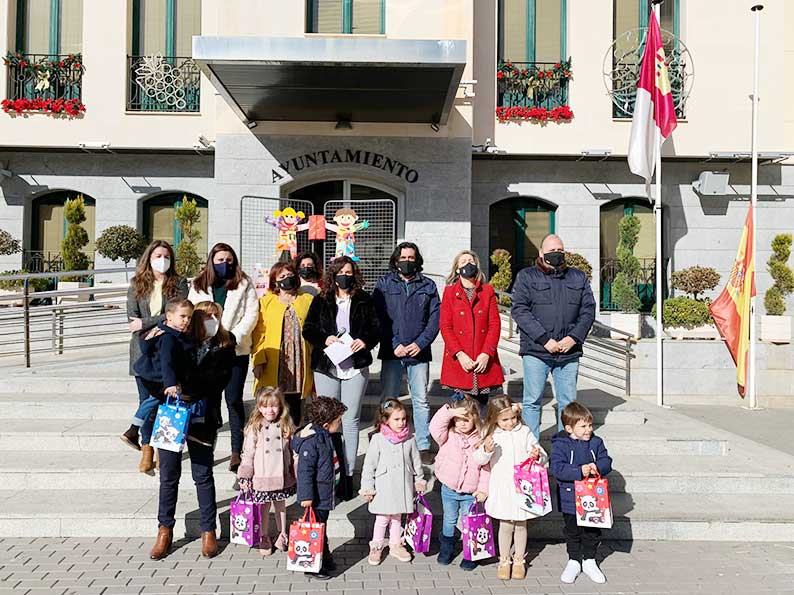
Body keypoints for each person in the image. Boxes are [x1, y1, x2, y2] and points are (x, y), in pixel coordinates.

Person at [149, 300, 236, 561]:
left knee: (202, 473)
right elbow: (153, 372)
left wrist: (185, 388)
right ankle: (164, 530)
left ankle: (208, 531)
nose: (211, 319)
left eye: (216, 315)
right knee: (169, 475)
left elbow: (219, 380)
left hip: (203, 415)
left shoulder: (225, 343)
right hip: (171, 414)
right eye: (205, 315)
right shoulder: (174, 338)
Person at [302, 256, 380, 499]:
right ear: (333, 276)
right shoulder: (321, 300)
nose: (345, 276)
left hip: (355, 367)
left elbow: (376, 329)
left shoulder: (365, 300)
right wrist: (325, 338)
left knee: (350, 420)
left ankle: (347, 475)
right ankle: (328, 472)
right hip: (327, 367)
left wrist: (364, 341)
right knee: (327, 421)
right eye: (340, 272)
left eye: (349, 271)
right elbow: (309, 329)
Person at [510, 234, 596, 440]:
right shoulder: (527, 276)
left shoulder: (578, 277)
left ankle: (564, 449)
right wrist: (544, 339)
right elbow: (520, 310)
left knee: (568, 403)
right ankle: (531, 448)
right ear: (541, 252)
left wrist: (573, 338)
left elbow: (588, 311)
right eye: (552, 250)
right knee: (532, 401)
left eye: (560, 250)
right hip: (537, 351)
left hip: (568, 353)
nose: (557, 253)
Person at [189, 242, 259, 471]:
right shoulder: (199, 284)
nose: (224, 264)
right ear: (211, 261)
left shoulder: (244, 283)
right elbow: (193, 312)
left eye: (228, 260)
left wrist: (233, 336)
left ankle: (237, 451)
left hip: (234, 350)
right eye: (219, 260)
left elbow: (251, 313)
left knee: (233, 399)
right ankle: (207, 442)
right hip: (207, 351)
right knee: (210, 399)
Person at [373, 242, 440, 463]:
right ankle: (386, 435)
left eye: (411, 258)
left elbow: (434, 319)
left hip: (418, 352)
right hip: (393, 352)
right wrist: (394, 343)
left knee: (420, 400)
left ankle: (422, 444)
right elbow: (379, 318)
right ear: (395, 260)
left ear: (417, 260)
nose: (407, 261)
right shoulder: (383, 284)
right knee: (389, 398)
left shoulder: (428, 285)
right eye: (403, 257)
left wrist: (420, 343)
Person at [126, 240, 188, 473]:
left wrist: (148, 322)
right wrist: (147, 325)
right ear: (148, 258)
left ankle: (163, 450)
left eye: (166, 255)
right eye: (157, 255)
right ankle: (146, 448)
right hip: (142, 350)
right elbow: (131, 319)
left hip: (169, 349)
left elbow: (177, 312)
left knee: (164, 402)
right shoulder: (136, 284)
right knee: (146, 400)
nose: (162, 259)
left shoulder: (179, 283)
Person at [474, 396, 548, 581]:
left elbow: (542, 455)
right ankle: (504, 559)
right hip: (502, 487)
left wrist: (537, 455)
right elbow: (478, 459)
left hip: (523, 488)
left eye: (512, 418)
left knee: (521, 525)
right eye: (504, 419)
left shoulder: (524, 431)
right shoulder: (491, 434)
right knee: (505, 525)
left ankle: (519, 560)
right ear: (494, 419)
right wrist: (486, 450)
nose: (510, 422)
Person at [121, 299, 197, 451]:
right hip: (155, 376)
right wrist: (170, 384)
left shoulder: (166, 331)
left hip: (153, 374)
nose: (186, 320)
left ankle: (135, 430)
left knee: (153, 402)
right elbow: (166, 362)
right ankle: (134, 430)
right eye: (182, 316)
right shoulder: (168, 337)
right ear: (169, 316)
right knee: (155, 399)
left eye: (189, 317)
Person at [550, 402, 612, 585]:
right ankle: (574, 560)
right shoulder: (560, 444)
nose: (588, 430)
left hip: (594, 497)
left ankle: (590, 560)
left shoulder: (596, 442)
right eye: (583, 426)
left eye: (590, 425)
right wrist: (578, 471)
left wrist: (598, 466)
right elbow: (557, 468)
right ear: (569, 428)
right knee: (572, 530)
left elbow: (607, 460)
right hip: (570, 497)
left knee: (592, 530)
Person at [359, 399, 426, 566]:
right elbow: (369, 465)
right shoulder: (378, 439)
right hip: (384, 486)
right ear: (385, 420)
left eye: (403, 419)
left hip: (402, 485)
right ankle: (376, 546)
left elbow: (416, 462)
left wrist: (419, 479)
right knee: (382, 518)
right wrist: (367, 487)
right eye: (396, 419)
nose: (401, 422)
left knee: (397, 517)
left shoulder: (410, 439)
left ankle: (396, 544)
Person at [439, 250, 504, 414]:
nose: (468, 264)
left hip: (483, 359)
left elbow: (494, 324)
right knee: (462, 413)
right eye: (463, 261)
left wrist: (487, 353)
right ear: (457, 269)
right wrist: (459, 354)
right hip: (460, 361)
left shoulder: (487, 291)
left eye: (471, 261)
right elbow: (446, 327)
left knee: (484, 411)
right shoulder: (449, 293)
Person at [251, 262, 314, 426]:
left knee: (294, 404)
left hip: (299, 360)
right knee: (272, 403)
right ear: (275, 281)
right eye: (282, 277)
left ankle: (292, 442)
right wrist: (258, 360)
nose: (288, 279)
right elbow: (259, 333)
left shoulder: (307, 299)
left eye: (290, 275)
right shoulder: (266, 302)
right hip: (274, 360)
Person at [292, 396, 349, 580]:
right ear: (326, 424)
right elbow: (305, 472)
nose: (340, 424)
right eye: (338, 421)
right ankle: (314, 565)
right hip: (316, 496)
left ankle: (325, 557)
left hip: (325, 493)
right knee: (316, 530)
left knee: (320, 527)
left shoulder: (327, 437)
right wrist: (305, 496)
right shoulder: (312, 442)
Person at [429, 398, 489, 570]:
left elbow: (486, 468)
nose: (462, 424)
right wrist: (449, 412)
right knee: (449, 519)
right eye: (459, 419)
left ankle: (471, 552)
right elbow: (434, 426)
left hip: (471, 492)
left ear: (475, 418)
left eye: (467, 419)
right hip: (449, 489)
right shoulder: (448, 435)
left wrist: (483, 489)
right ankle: (446, 548)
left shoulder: (480, 438)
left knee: (469, 522)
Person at [237, 387, 296, 557]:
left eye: (274, 406)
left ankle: (282, 533)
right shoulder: (255, 427)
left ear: (281, 406)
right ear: (259, 408)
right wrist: (245, 475)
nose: (270, 410)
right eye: (266, 406)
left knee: (281, 505)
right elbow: (248, 454)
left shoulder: (286, 425)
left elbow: (293, 451)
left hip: (281, 475)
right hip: (262, 477)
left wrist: (296, 470)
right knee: (263, 507)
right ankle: (263, 535)